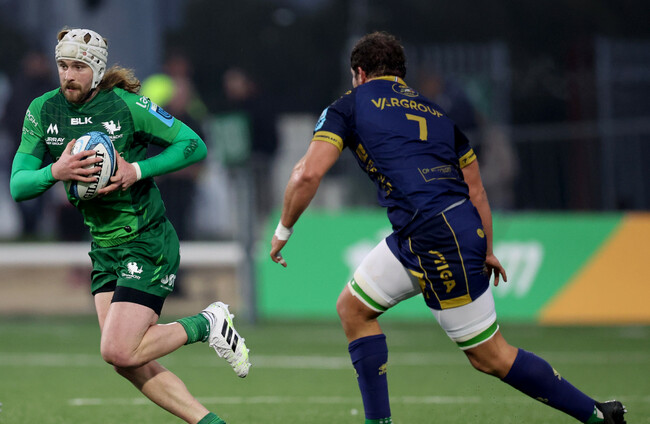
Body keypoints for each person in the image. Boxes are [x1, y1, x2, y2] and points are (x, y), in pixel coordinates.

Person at [270, 32, 626, 424]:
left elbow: (306, 174)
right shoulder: (437, 112)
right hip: (427, 232)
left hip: (435, 236)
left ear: (359, 73)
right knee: (352, 309)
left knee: (490, 356)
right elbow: (476, 190)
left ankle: (597, 414)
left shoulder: (348, 106)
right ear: (400, 73)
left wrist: (283, 230)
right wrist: (487, 248)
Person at [10, 28, 250, 424]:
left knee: (118, 350)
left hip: (146, 239)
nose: (68, 75)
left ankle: (207, 323)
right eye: (63, 65)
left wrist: (137, 170)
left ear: (97, 69)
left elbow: (193, 144)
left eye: (78, 67)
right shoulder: (43, 110)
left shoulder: (128, 106)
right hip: (104, 247)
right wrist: (56, 170)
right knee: (126, 360)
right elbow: (18, 185)